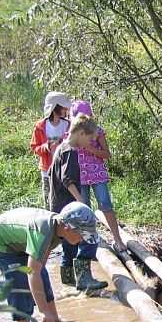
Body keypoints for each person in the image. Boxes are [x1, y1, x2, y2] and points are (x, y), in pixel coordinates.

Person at [0, 202, 100, 322]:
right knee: (19, 288)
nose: (82, 239)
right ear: (68, 228)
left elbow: (40, 267)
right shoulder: (43, 233)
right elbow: (32, 272)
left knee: (43, 279)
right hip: (3, 244)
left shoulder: (59, 231)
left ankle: (56, 321)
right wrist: (43, 310)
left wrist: (40, 283)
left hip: (23, 240)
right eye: (82, 235)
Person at [48, 113, 108, 291]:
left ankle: (68, 280)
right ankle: (84, 279)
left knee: (69, 244)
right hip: (70, 207)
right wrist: (81, 202)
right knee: (90, 238)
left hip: (59, 206)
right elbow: (68, 180)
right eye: (89, 138)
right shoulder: (70, 151)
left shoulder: (60, 148)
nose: (89, 143)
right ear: (81, 133)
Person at [69, 100, 126, 252]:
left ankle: (118, 239)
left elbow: (107, 154)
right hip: (79, 176)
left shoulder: (97, 131)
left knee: (105, 204)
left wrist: (89, 148)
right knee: (84, 208)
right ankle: (87, 244)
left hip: (97, 174)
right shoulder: (69, 134)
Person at [30, 91, 72, 210]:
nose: (66, 110)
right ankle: (50, 225)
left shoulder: (68, 124)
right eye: (63, 107)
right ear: (55, 107)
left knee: (65, 199)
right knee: (49, 200)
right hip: (47, 169)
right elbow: (35, 147)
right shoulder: (41, 126)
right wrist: (46, 147)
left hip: (64, 169)